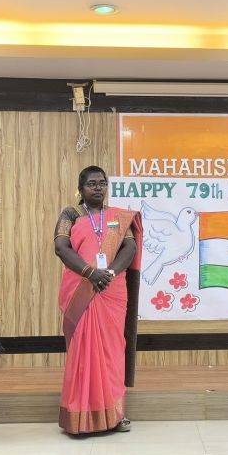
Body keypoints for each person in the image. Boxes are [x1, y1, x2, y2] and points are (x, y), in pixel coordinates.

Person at [54, 166, 143, 435]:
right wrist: (90, 273)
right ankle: (79, 417)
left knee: (112, 352)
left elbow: (130, 247)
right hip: (81, 290)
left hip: (111, 291)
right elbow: (61, 247)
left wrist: (110, 273)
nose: (97, 188)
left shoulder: (118, 217)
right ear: (80, 189)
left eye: (102, 183)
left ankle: (115, 414)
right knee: (82, 353)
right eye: (91, 184)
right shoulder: (71, 214)